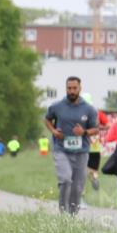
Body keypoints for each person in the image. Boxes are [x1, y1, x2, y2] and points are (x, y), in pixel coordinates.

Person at [44, 77, 99, 215]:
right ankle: (63, 213)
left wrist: (84, 132)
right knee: (66, 179)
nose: (72, 91)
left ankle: (72, 217)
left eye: (75, 88)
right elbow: (47, 119)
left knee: (77, 187)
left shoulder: (89, 109)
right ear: (66, 88)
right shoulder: (57, 106)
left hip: (81, 152)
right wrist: (54, 131)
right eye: (69, 88)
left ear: (80, 88)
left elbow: (96, 129)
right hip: (61, 150)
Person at [82, 93, 109, 192]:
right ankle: (94, 177)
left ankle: (82, 191)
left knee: (81, 169)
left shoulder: (78, 112)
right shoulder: (98, 112)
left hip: (83, 145)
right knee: (94, 168)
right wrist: (98, 128)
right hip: (95, 145)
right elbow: (108, 125)